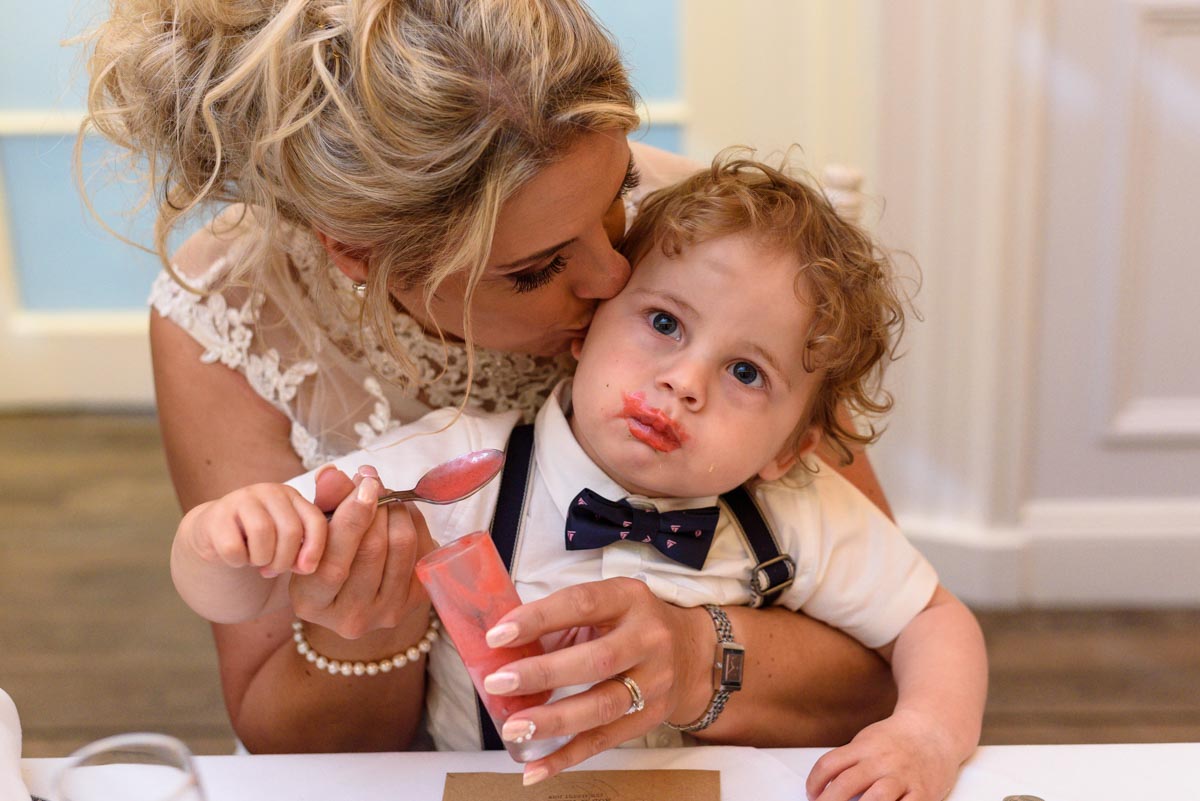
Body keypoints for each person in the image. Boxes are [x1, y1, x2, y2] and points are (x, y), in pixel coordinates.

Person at [83, 0, 898, 769]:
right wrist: (369, 623)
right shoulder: (224, 315)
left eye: (615, 199)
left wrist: (698, 657)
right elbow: (282, 735)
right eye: (536, 268)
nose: (614, 272)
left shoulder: (703, 247)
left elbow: (883, 670)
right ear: (360, 255)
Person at [172, 154, 988, 800]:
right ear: (585, 330)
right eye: (664, 323)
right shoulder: (461, 466)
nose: (685, 381)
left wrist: (928, 732)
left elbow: (933, 621)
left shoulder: (798, 509)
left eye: (746, 371)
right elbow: (247, 585)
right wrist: (225, 542)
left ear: (794, 444)